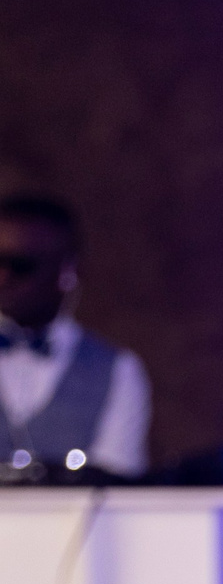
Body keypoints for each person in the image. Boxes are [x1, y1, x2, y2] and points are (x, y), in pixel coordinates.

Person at [0, 192, 151, 476]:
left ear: (66, 270)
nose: (3, 278)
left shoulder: (117, 370)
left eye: (21, 266)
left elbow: (118, 489)